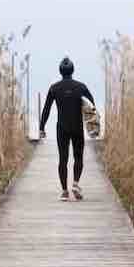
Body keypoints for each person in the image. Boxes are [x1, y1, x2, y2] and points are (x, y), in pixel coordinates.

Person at [40, 57, 95, 201]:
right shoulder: (81, 87)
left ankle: (64, 192)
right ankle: (76, 184)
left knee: (63, 159)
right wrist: (93, 126)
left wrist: (42, 128)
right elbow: (92, 105)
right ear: (72, 70)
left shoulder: (54, 88)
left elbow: (46, 109)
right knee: (78, 157)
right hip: (77, 127)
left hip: (62, 128)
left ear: (60, 71)